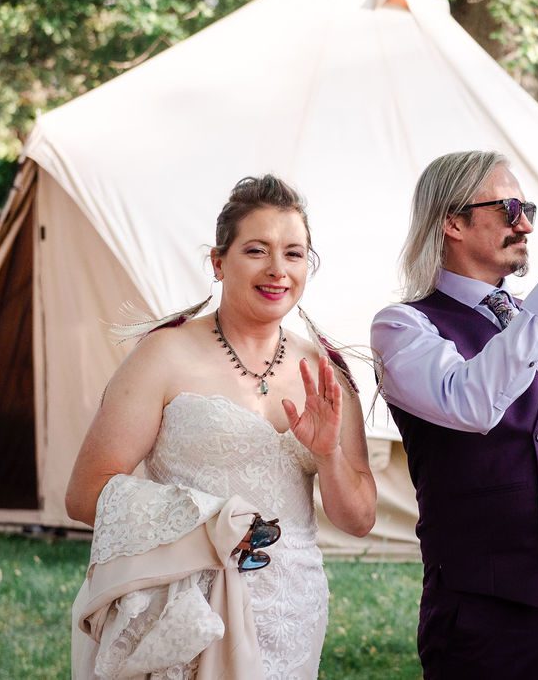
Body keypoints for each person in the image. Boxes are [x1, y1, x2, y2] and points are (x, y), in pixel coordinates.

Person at [65, 175, 377, 680]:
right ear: (218, 261)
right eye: (257, 250)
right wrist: (208, 518)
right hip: (186, 612)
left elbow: (359, 519)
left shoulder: (325, 370)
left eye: (294, 254)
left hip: (292, 614)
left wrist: (328, 455)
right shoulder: (162, 356)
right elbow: (85, 495)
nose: (278, 270)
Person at [370, 151, 538, 678]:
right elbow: (470, 402)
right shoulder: (403, 327)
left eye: (528, 208)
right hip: (479, 614)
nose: (525, 224)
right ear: (452, 222)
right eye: (509, 206)